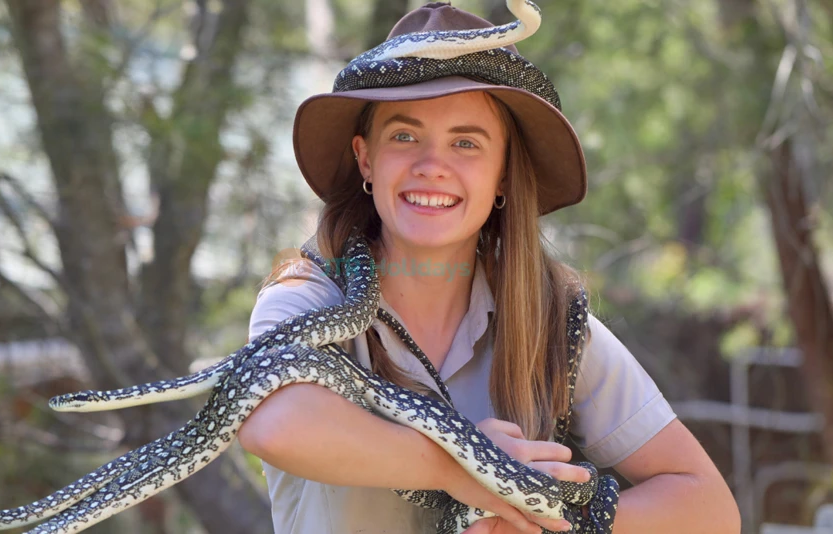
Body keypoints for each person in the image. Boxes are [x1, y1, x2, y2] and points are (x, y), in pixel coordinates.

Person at [238, 3, 740, 533]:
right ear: (366, 159)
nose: (432, 165)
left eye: (466, 143)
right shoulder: (306, 296)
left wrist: (555, 525)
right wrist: (468, 464)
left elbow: (709, 509)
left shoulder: (550, 318)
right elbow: (272, 425)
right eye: (404, 136)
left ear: (503, 173)